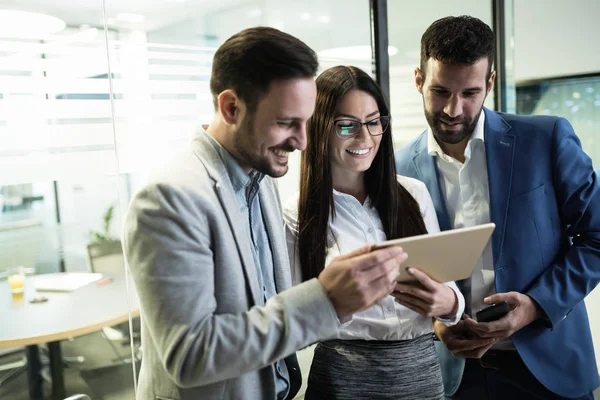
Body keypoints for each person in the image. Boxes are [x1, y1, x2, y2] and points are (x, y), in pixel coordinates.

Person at [123, 27, 409, 400]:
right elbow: (190, 356)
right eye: (286, 122)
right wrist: (326, 299)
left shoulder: (261, 179)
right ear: (231, 108)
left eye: (306, 122)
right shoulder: (169, 198)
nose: (303, 141)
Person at [395, 15, 600, 400]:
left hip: (547, 370)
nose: (453, 110)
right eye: (440, 91)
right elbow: (400, 272)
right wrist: (439, 321)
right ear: (418, 80)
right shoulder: (396, 169)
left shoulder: (546, 139)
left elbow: (597, 237)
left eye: (469, 93)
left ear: (489, 84)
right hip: (452, 376)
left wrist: (536, 305)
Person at [283, 65, 465, 400]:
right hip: (344, 379)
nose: (365, 138)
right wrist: (342, 299)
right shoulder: (296, 214)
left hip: (422, 374)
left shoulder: (413, 194)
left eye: (373, 121)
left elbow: (448, 291)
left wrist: (450, 303)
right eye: (347, 125)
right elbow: (296, 327)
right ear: (320, 127)